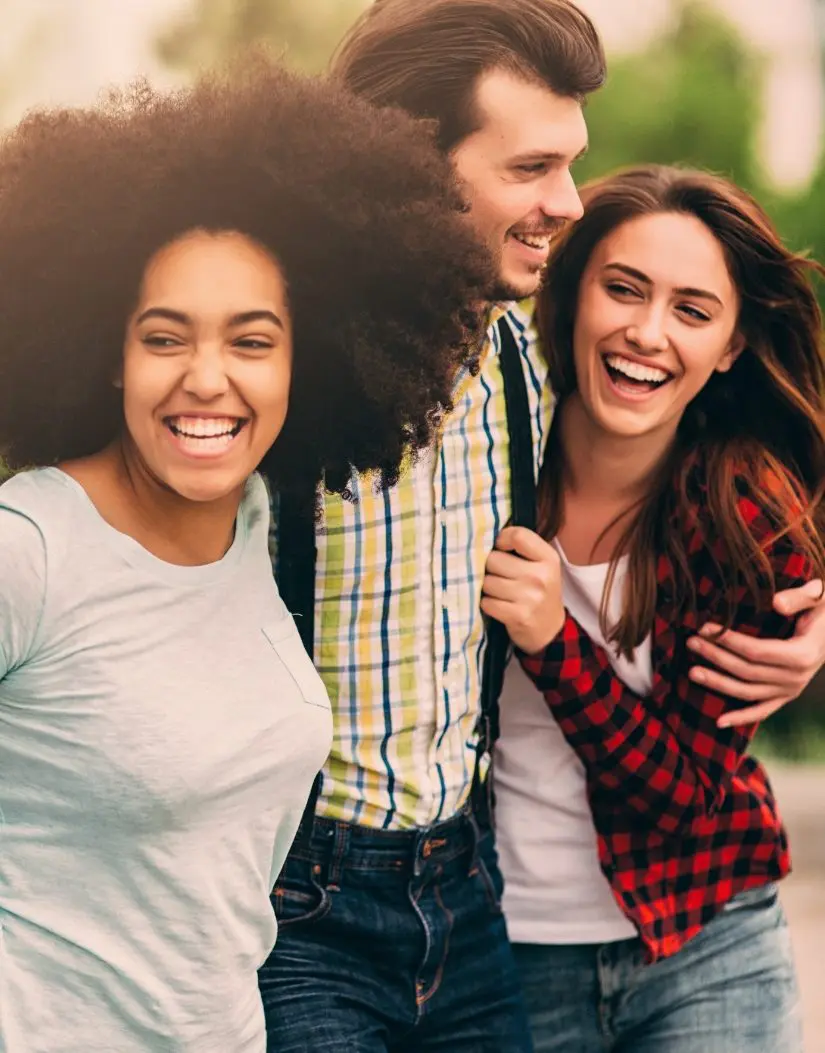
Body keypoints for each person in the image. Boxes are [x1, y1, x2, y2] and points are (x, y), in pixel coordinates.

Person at [259, 2, 825, 1051]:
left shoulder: (555, 401)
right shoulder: (308, 368)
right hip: (378, 912)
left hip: (585, 917)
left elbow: (691, 778)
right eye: (531, 169)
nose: (565, 203)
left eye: (572, 167)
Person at [0, 61, 490, 1053]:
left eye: (252, 340)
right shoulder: (32, 547)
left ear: (311, 356)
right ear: (109, 351)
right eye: (165, 336)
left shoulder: (255, 525)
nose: (207, 380)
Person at [485, 164, 824, 1052]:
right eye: (623, 289)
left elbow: (678, 793)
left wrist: (555, 642)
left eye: (691, 309)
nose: (645, 332)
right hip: (500, 957)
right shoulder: (480, 466)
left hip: (704, 945)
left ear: (731, 346)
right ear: (573, 295)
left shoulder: (744, 515)